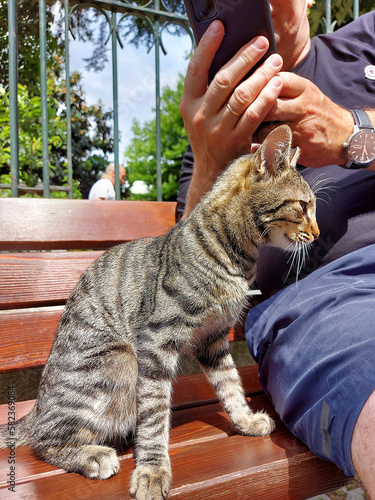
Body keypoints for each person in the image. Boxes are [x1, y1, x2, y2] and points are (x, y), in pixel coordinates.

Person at [177, 1, 375, 497]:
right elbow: (188, 306)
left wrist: (351, 132)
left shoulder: (367, 39)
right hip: (326, 306)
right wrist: (208, 168)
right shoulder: (211, 129)